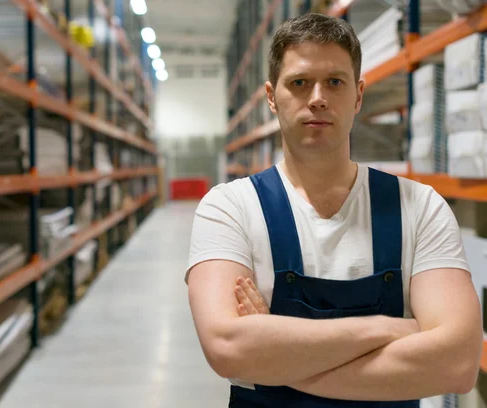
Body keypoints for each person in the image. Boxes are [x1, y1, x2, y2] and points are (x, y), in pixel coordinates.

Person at [185, 12, 483, 408]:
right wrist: (385, 329)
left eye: (335, 82)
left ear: (358, 95)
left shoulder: (421, 207)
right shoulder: (229, 208)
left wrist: (274, 355)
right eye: (299, 82)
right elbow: (226, 348)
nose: (318, 97)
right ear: (272, 96)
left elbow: (457, 364)